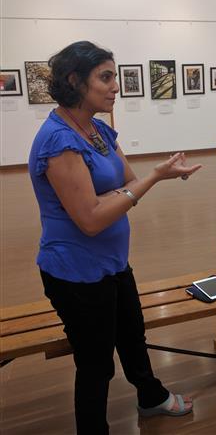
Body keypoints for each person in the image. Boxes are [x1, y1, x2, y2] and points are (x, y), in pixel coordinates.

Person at [28, 41, 202, 434]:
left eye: (115, 77)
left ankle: (151, 397)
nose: (116, 87)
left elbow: (127, 182)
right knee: (96, 364)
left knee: (133, 336)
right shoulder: (59, 140)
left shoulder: (99, 130)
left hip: (113, 263)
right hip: (76, 273)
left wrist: (125, 191)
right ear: (75, 80)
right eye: (105, 77)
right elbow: (91, 220)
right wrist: (151, 179)